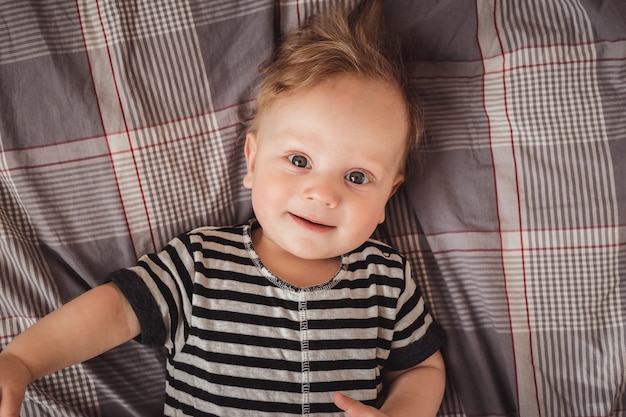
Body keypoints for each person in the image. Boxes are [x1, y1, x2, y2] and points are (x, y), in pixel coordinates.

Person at [0, 1, 445, 416]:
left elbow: (421, 369)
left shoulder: (385, 281)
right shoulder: (200, 262)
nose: (323, 194)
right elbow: (115, 311)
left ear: (389, 196)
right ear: (252, 161)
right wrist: (21, 360)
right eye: (299, 161)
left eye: (357, 177)